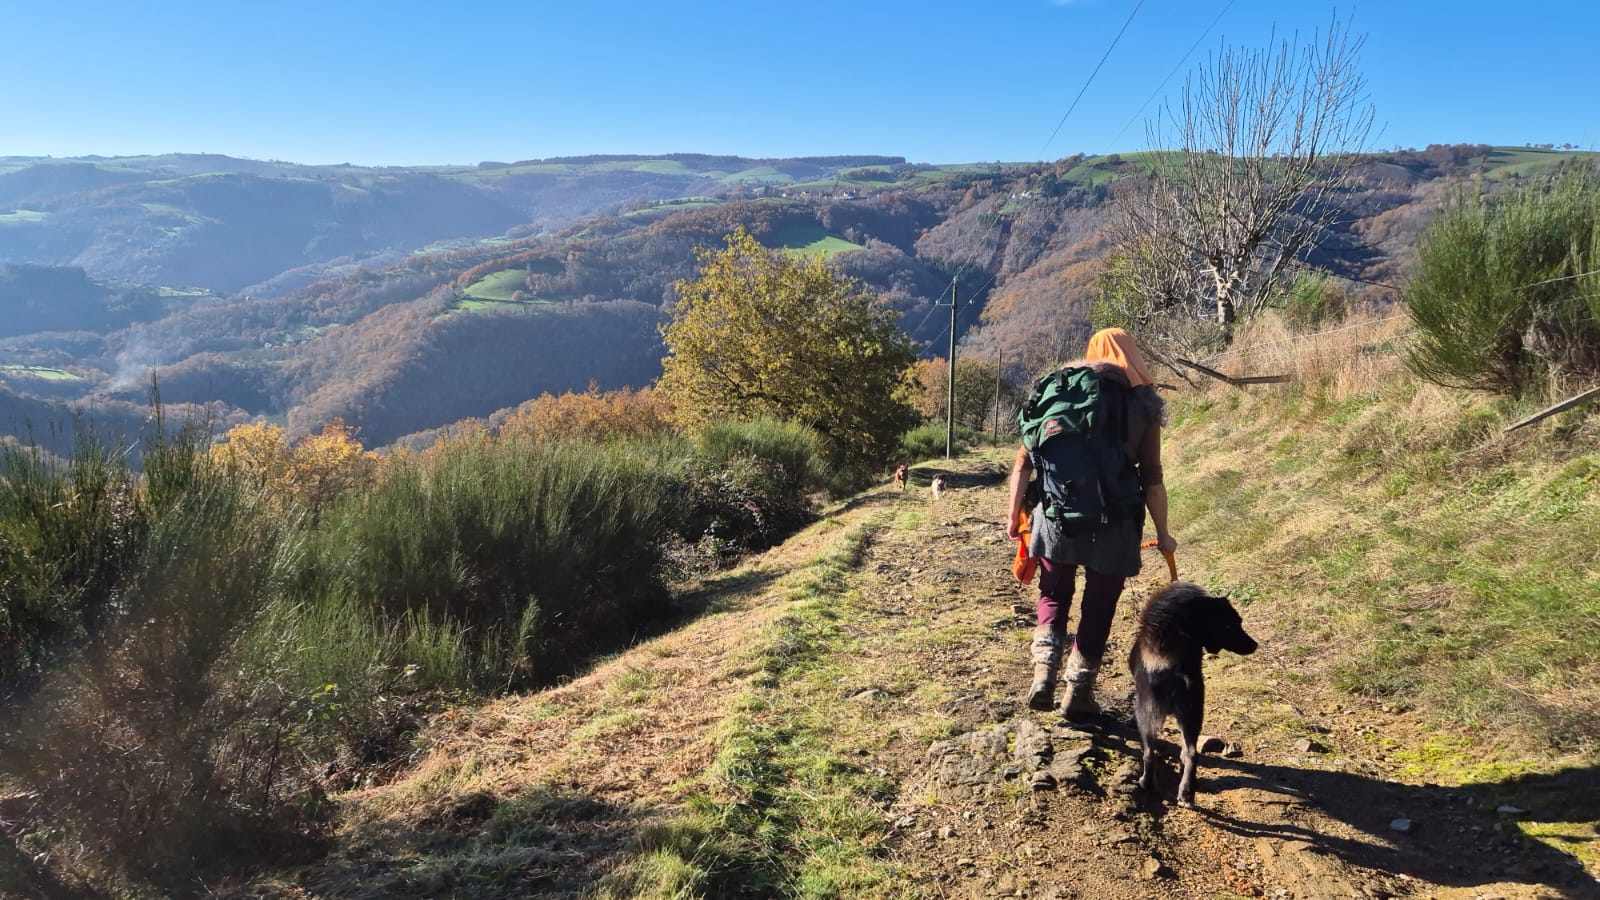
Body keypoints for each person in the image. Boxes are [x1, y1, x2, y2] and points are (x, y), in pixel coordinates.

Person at [1006, 327, 1177, 718]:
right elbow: (1152, 478)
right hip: (1114, 525)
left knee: (1053, 595)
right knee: (1098, 605)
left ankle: (1043, 675)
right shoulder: (1144, 405)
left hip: (1055, 518)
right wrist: (1163, 534)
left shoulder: (1058, 395)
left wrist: (1013, 515)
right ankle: (1077, 692)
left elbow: (1023, 462)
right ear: (1133, 356)